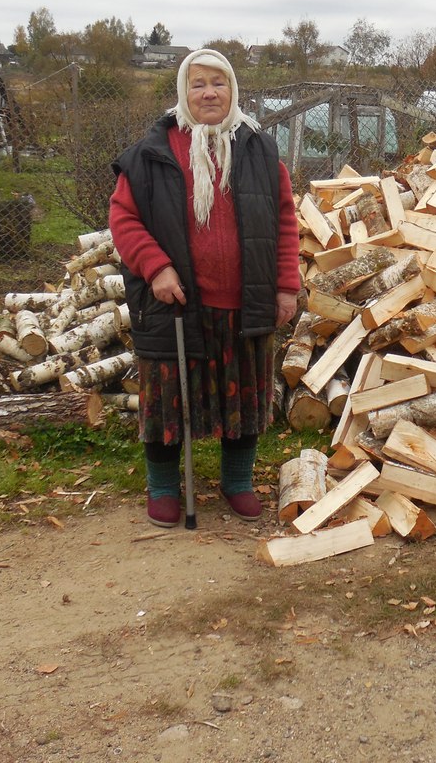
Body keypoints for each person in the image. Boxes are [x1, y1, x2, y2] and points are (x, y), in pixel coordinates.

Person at [109, 48, 300, 526]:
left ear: (233, 89)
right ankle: (163, 488)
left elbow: (284, 222)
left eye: (219, 83)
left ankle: (237, 482)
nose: (209, 92)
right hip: (177, 304)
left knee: (245, 398)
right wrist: (155, 268)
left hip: (245, 300)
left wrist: (285, 286)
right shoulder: (150, 154)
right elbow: (124, 219)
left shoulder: (260, 148)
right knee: (168, 399)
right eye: (199, 84)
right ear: (183, 92)